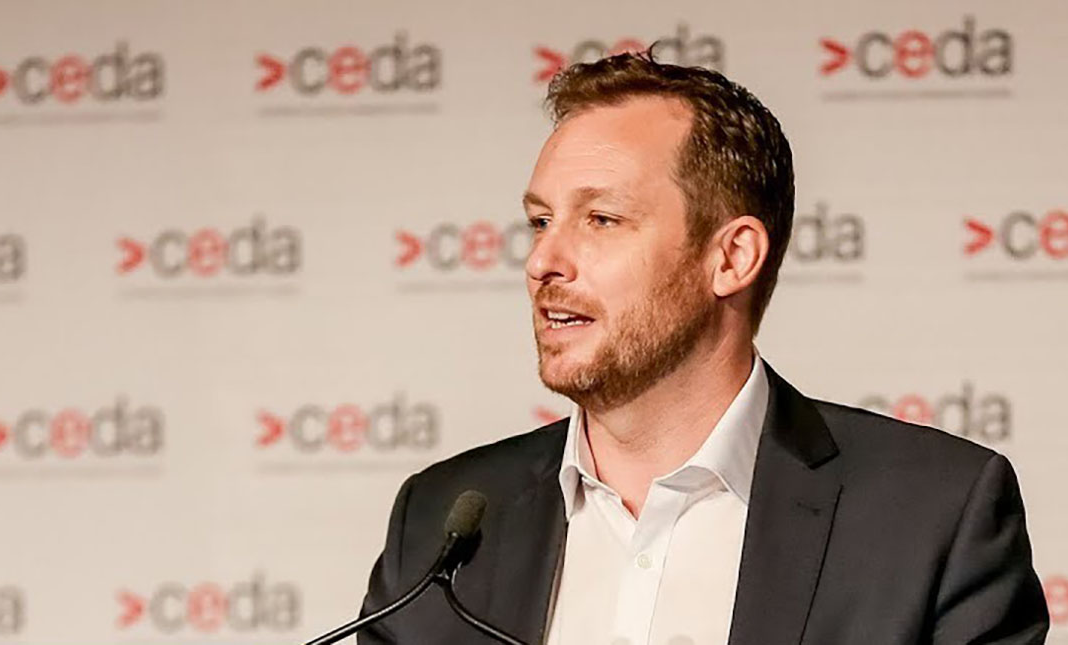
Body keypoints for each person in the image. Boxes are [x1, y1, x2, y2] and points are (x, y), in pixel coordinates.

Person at [358, 53, 1048, 644]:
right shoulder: (441, 523)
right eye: (540, 220)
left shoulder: (932, 514)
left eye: (601, 219)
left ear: (732, 257)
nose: (543, 260)